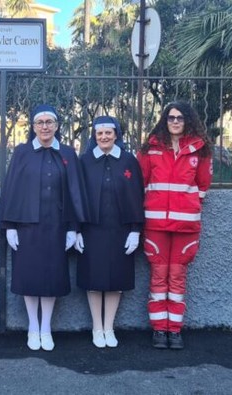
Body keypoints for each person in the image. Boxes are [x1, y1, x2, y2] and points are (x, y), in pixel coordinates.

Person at [0, 104, 88, 351]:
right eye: (40, 122)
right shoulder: (22, 152)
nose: (45, 126)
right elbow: (12, 189)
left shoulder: (68, 153)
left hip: (57, 226)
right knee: (30, 277)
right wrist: (10, 226)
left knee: (51, 278)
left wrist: (73, 227)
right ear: (33, 126)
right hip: (27, 227)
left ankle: (46, 327)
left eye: (50, 122)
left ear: (57, 126)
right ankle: (32, 326)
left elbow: (75, 193)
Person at [137, 101, 212, 350]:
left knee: (177, 278)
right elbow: (141, 181)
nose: (176, 122)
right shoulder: (151, 148)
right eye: (171, 118)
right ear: (165, 120)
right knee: (159, 278)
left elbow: (202, 186)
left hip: (186, 225)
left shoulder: (200, 150)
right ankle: (159, 329)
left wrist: (188, 206)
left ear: (188, 120)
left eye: (180, 117)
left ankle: (175, 330)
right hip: (156, 223)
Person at [75, 115, 145, 348]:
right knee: (94, 280)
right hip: (91, 230)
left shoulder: (128, 161)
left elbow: (137, 196)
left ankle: (109, 327)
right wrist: (75, 230)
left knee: (115, 281)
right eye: (99, 133)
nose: (104, 137)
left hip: (120, 230)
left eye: (108, 133)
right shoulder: (84, 161)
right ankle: (97, 327)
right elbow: (75, 198)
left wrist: (136, 230)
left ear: (116, 134)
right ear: (94, 136)